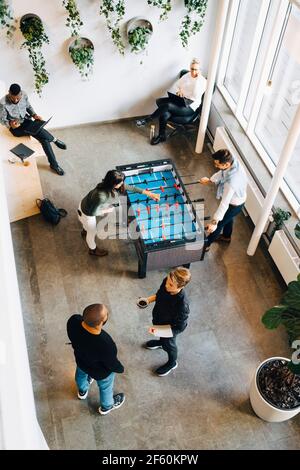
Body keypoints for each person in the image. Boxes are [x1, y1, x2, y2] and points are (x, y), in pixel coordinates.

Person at [78, 169, 160, 256]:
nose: (122, 184)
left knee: (87, 227)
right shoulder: (101, 196)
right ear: (113, 183)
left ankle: (85, 230)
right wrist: (107, 210)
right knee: (92, 232)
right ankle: (92, 250)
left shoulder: (109, 185)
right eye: (120, 183)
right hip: (86, 213)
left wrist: (149, 193)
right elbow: (93, 212)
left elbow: (131, 188)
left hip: (88, 205)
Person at [67, 303, 125, 415]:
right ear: (101, 323)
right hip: (100, 372)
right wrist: (120, 369)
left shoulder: (73, 320)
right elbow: (111, 364)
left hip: (81, 361)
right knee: (105, 388)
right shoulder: (106, 343)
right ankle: (106, 406)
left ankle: (82, 391)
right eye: (106, 315)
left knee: (80, 375)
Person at [136, 58, 207, 145]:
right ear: (190, 68)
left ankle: (147, 120)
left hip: (190, 107)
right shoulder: (187, 75)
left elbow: (195, 95)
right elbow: (176, 85)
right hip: (181, 101)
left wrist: (198, 78)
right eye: (192, 69)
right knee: (164, 111)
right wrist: (179, 91)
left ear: (199, 70)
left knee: (167, 106)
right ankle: (162, 136)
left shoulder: (203, 81)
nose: (193, 71)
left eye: (196, 69)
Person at [0, 83, 66, 175]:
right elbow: (2, 120)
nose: (15, 100)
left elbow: (28, 107)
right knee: (40, 132)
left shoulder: (24, 94)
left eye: (17, 98)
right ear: (9, 93)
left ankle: (54, 165)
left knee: (44, 140)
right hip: (16, 128)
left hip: (27, 121)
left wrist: (34, 115)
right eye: (13, 98)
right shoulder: (2, 103)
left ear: (21, 94)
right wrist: (10, 124)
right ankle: (54, 139)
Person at [139, 267, 191, 376]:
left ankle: (172, 363)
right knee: (158, 332)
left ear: (181, 286)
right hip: (159, 317)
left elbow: (180, 326)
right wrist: (147, 300)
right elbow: (159, 295)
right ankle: (161, 342)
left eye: (171, 285)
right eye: (168, 281)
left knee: (169, 344)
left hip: (171, 327)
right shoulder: (167, 281)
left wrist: (164, 332)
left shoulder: (182, 305)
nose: (167, 285)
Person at [199, 149, 248, 251]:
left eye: (217, 164)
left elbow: (224, 203)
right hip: (237, 200)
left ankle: (206, 245)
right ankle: (226, 237)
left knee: (219, 224)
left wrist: (214, 222)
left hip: (235, 204)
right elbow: (222, 172)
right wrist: (210, 180)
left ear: (226, 164)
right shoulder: (232, 160)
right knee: (228, 219)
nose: (215, 166)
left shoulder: (231, 182)